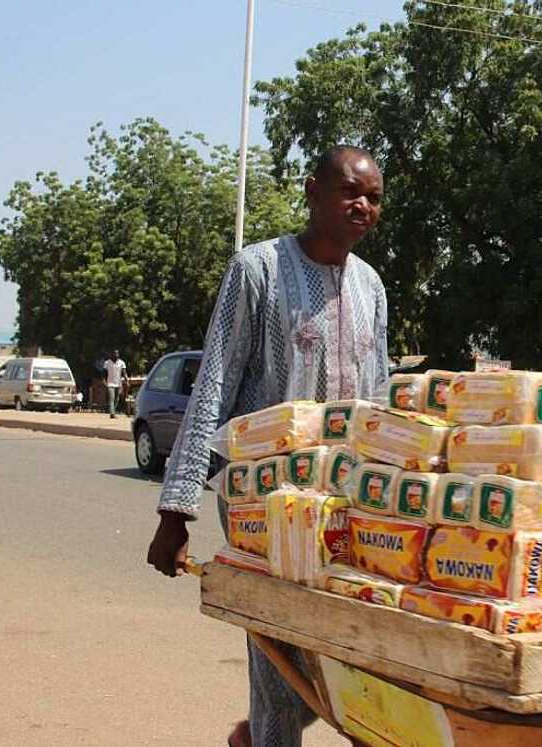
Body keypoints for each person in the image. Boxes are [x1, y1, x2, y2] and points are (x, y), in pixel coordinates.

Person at [147, 145, 389, 746]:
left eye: (374, 197)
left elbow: (379, 399)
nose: (362, 205)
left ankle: (255, 739)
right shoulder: (256, 269)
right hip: (264, 501)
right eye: (349, 192)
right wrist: (177, 512)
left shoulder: (372, 287)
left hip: (344, 502)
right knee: (278, 644)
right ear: (312, 192)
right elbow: (215, 385)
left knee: (354, 645)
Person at [104, 350, 127, 418]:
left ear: (118, 354)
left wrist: (127, 380)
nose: (115, 355)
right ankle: (112, 413)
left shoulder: (122, 363)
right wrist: (104, 382)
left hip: (118, 383)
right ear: (111, 354)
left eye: (116, 353)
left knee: (117, 399)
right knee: (112, 398)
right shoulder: (107, 363)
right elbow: (104, 373)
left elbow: (124, 372)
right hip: (110, 384)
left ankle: (113, 411)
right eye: (114, 353)